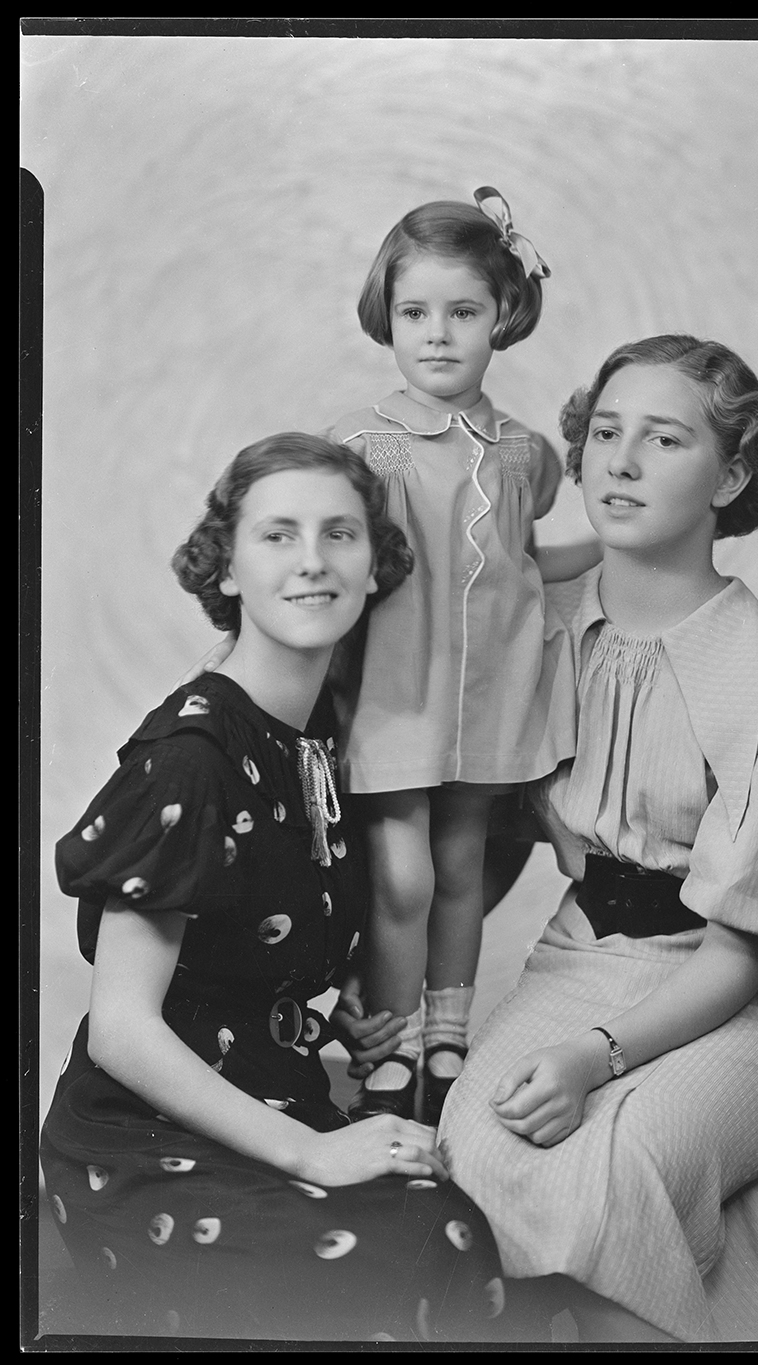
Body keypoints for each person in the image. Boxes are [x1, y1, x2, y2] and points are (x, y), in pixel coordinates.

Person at [437, 335, 758, 1344]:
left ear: (731, 476)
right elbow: (484, 832)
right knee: (474, 1141)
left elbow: (743, 957)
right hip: (583, 959)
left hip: (745, 998)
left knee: (615, 1165)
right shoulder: (539, 628)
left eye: (663, 439)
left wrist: (595, 1059)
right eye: (604, 433)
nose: (618, 462)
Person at [39, 434, 511, 1343]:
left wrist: (325, 1013)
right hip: (143, 1146)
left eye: (340, 535)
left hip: (267, 1096)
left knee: (452, 1225)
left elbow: (236, 942)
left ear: (375, 567)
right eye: (278, 535)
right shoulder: (194, 757)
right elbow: (125, 1028)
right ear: (227, 570)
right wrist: (318, 1152)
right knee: (406, 1254)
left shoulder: (314, 739)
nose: (311, 561)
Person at [319, 186, 587, 1125]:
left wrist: (618, 547)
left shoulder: (523, 454)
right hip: (398, 694)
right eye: (415, 313)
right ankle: (388, 1043)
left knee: (465, 865)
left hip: (491, 697)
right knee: (405, 875)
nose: (437, 334)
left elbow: (520, 560)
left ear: (502, 316)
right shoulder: (361, 448)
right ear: (386, 318)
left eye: (462, 312)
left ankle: (447, 1032)